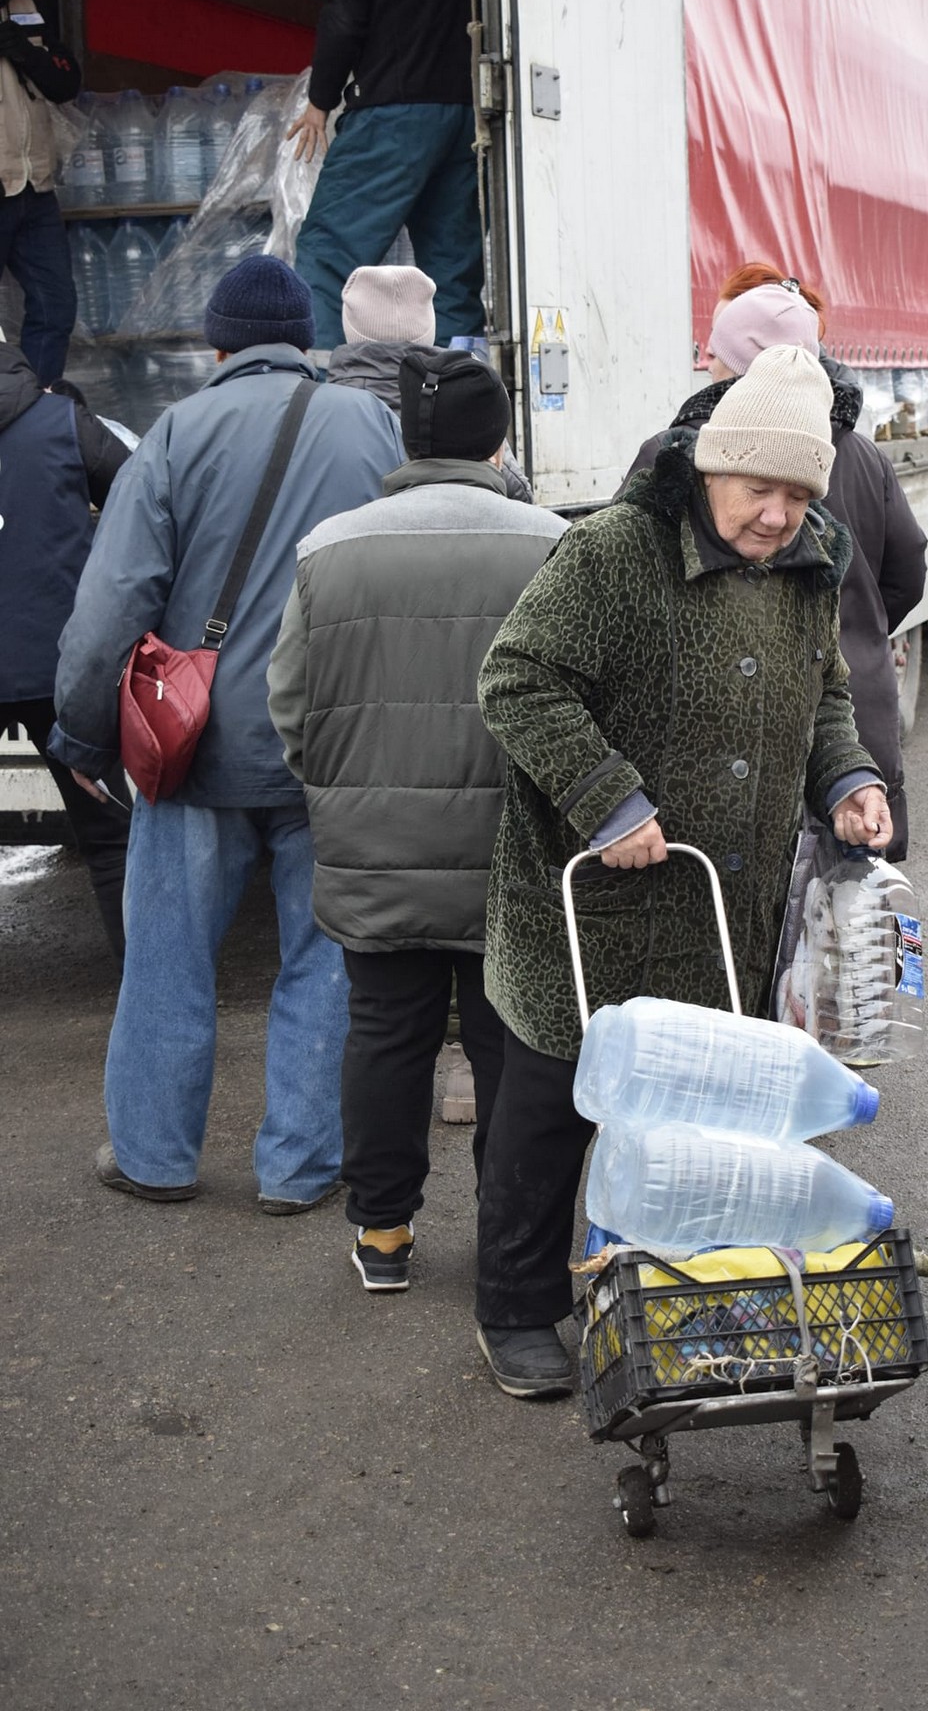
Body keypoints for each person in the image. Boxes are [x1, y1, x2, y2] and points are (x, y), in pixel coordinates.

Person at [473, 344, 892, 1397]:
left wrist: (845, 778)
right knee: (556, 1105)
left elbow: (825, 692)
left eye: (799, 495)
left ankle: (660, 1288)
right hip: (591, 904)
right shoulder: (615, 553)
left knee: (696, 1122)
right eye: (762, 489)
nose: (777, 516)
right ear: (713, 466)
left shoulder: (812, 560)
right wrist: (606, 797)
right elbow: (516, 678)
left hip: (721, 904)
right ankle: (517, 1307)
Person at [48, 256, 406, 1211]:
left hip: (196, 746)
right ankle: (299, 1167)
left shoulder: (176, 433)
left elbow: (112, 603)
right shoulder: (370, 424)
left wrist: (83, 739)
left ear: (217, 343)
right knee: (323, 962)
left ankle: (155, 1158)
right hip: (332, 744)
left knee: (167, 957)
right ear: (304, 340)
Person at [267, 345, 567, 1290]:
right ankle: (507, 1235)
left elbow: (290, 709)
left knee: (385, 1034)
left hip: (374, 849)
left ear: (407, 434)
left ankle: (385, 1235)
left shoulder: (330, 549)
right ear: (500, 439)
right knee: (505, 1040)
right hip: (509, 852)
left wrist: (342, 792)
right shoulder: (551, 543)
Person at [625, 267, 928, 858]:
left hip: (745, 742)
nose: (775, 515)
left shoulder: (672, 453)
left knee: (753, 928)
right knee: (848, 926)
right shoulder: (862, 453)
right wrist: (860, 633)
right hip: (859, 712)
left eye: (717, 353)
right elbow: (908, 568)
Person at [289, 0, 484, 351]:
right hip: (466, 111)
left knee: (328, 256)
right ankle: (465, 395)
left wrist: (320, 100)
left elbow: (344, 15)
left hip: (392, 114)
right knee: (453, 271)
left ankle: (320, 396)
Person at [0, 334, 132, 961]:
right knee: (108, 839)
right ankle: (146, 994)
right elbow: (142, 508)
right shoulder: (63, 422)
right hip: (61, 665)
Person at [326, 263, 532, 501]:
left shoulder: (319, 414)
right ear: (428, 330)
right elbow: (520, 493)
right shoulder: (466, 408)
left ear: (349, 328)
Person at [0, 0, 81, 385]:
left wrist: (26, 53)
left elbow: (67, 79)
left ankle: (30, 416)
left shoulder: (26, 3)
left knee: (55, 308)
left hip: (35, 188)